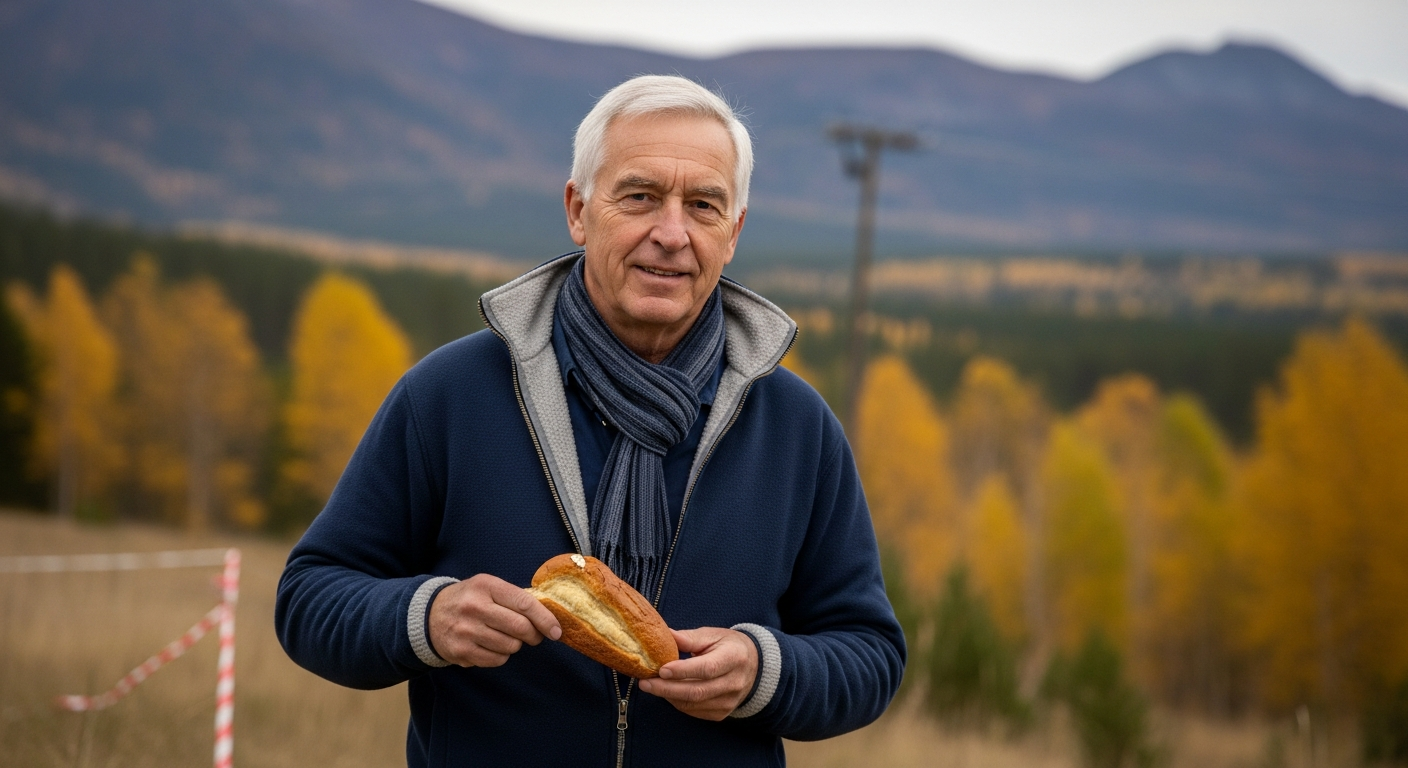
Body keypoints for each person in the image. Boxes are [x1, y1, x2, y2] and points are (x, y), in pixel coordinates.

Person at [275, 74, 905, 767]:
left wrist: (767, 672)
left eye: (703, 205)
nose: (671, 233)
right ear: (578, 210)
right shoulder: (451, 396)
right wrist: (424, 618)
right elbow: (310, 599)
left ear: (734, 234)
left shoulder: (796, 428)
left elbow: (869, 654)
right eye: (640, 197)